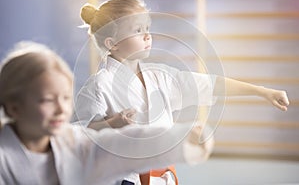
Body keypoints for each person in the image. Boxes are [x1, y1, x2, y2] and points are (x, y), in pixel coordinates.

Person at [74, 0, 290, 185]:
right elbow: (80, 136)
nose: (147, 36)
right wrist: (113, 123)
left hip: (164, 175)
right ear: (113, 44)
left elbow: (211, 84)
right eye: (137, 31)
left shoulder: (160, 77)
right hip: (124, 179)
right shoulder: (98, 86)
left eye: (147, 28)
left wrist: (262, 91)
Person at [0, 41, 215, 185]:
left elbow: (119, 144)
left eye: (65, 98)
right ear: (14, 107)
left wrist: (179, 140)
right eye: (47, 100)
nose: (61, 109)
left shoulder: (71, 140)